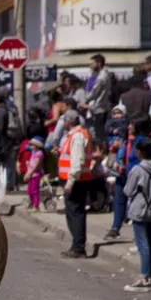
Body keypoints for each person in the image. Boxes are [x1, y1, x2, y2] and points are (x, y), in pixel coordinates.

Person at [123, 138, 151, 292]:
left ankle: (144, 278)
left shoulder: (138, 170)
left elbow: (128, 190)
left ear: (139, 152)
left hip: (140, 209)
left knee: (143, 245)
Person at [58, 110, 94, 259]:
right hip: (77, 179)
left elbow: (77, 162)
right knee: (74, 213)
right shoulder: (76, 135)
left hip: (76, 181)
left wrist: (70, 182)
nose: (63, 124)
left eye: (64, 121)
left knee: (75, 214)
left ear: (69, 121)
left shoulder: (77, 136)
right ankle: (77, 245)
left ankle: (78, 247)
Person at [83, 54, 113, 145]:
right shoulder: (102, 75)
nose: (91, 65)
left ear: (99, 63)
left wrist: (84, 101)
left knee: (99, 136)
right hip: (101, 107)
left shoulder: (101, 77)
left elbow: (94, 93)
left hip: (99, 109)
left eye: (93, 63)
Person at [24, 136, 46, 212]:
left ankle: (36, 206)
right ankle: (32, 203)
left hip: (35, 174)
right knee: (29, 190)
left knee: (34, 190)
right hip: (31, 174)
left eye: (32, 145)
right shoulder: (34, 153)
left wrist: (29, 173)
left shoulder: (39, 154)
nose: (30, 146)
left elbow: (36, 165)